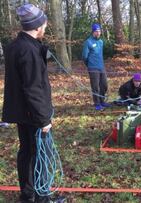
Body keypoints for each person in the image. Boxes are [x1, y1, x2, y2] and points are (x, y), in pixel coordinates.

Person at [2, 4, 65, 202]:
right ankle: (42, 197)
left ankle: (28, 195)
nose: (45, 29)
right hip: (33, 114)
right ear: (37, 26)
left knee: (27, 152)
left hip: (22, 112)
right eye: (44, 25)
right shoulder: (28, 51)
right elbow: (32, 88)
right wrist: (43, 119)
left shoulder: (16, 46)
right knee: (41, 155)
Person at [82, 23, 111, 111]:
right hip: (93, 68)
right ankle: (97, 104)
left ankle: (102, 101)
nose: (98, 33)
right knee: (95, 87)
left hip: (101, 67)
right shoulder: (88, 42)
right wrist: (89, 65)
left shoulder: (101, 42)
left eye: (99, 31)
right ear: (93, 32)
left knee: (104, 85)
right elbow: (84, 56)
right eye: (96, 31)